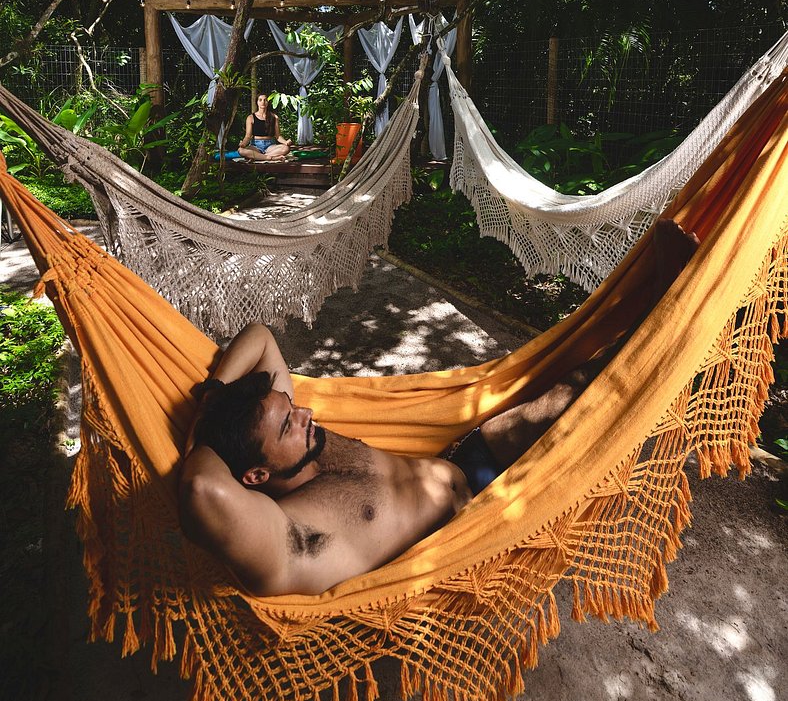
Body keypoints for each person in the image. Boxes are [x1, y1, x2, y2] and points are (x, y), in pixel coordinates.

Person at [179, 220, 699, 598]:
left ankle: (652, 311)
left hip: (464, 460)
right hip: (478, 530)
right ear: (254, 475)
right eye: (288, 422)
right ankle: (678, 323)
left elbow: (262, 338)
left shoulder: (302, 445)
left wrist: (212, 397)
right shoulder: (284, 540)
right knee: (599, 416)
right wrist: (199, 441)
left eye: (290, 408)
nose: (305, 413)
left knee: (572, 388)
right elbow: (201, 488)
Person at [238, 93, 293, 161]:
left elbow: (278, 136)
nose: (263, 102)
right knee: (241, 150)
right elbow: (248, 136)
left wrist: (286, 142)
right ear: (257, 102)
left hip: (270, 146)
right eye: (260, 100)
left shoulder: (274, 117)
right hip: (255, 146)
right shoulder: (250, 118)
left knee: (286, 148)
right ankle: (271, 157)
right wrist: (243, 144)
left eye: (265, 100)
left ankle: (258, 157)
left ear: (267, 102)